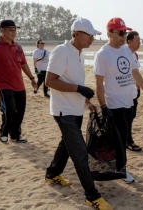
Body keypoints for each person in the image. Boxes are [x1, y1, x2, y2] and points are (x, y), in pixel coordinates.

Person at [44, 17, 113, 210]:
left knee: (65, 144)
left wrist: (86, 101)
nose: (92, 38)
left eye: (93, 35)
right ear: (76, 34)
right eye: (89, 35)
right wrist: (79, 89)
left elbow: (71, 79)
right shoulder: (61, 51)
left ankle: (52, 174)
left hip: (75, 109)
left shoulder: (79, 53)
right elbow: (50, 81)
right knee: (80, 153)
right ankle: (92, 196)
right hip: (63, 111)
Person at [94, 17, 143, 183]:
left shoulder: (127, 51)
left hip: (129, 100)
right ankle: (121, 170)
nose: (123, 36)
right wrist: (103, 106)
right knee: (120, 139)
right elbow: (98, 83)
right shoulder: (103, 54)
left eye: (125, 32)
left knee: (121, 136)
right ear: (109, 33)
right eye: (120, 33)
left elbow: (135, 73)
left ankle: (116, 165)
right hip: (114, 103)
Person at [126, 31, 142, 152]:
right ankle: (128, 141)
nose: (139, 43)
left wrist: (138, 88)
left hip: (133, 92)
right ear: (129, 42)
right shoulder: (124, 54)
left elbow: (136, 73)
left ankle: (127, 139)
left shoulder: (135, 55)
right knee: (126, 118)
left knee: (132, 116)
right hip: (124, 92)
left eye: (140, 41)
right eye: (138, 41)